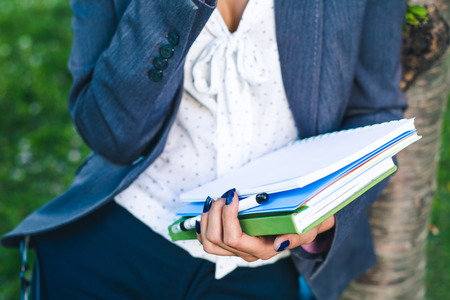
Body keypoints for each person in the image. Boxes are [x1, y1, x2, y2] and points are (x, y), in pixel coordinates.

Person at [2, 0, 407, 299]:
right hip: (123, 233)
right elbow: (111, 135)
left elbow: (375, 110)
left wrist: (324, 217)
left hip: (268, 266)